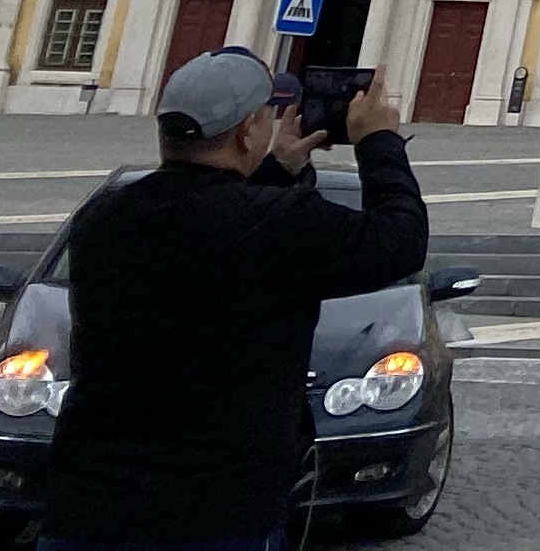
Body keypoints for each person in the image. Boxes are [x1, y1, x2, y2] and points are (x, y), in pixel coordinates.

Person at [44, 48, 427, 551]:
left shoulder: (104, 217)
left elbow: (208, 231)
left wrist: (276, 169)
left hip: (88, 502)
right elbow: (399, 241)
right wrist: (378, 141)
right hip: (216, 510)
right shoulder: (279, 226)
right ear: (248, 130)